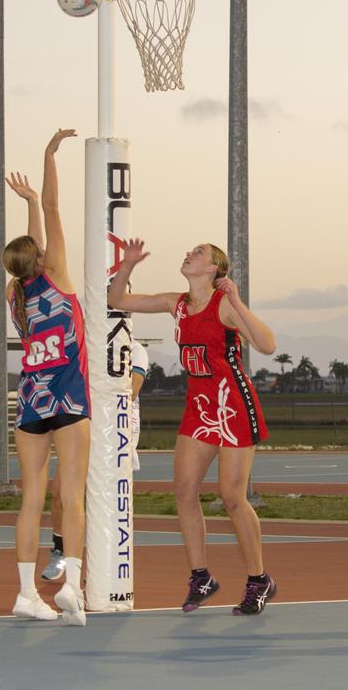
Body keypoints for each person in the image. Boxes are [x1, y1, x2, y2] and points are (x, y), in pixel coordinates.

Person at [108, 238, 278, 615]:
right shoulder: (178, 304)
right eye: (190, 251)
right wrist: (129, 265)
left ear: (214, 268)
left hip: (232, 402)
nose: (189, 254)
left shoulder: (224, 307)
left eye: (199, 252)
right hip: (200, 405)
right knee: (184, 490)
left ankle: (258, 579)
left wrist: (236, 301)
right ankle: (201, 576)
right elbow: (117, 299)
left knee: (233, 496)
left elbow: (267, 345)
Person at [2, 129, 89, 625]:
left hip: (31, 402)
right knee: (71, 493)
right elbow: (55, 212)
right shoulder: (57, 275)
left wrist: (29, 201)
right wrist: (49, 159)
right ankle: (71, 587)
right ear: (39, 259)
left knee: (32, 497)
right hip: (68, 398)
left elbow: (34, 234)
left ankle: (24, 593)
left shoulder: (17, 297)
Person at [42, 339, 148, 581]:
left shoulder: (135, 350)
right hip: (83, 424)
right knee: (59, 491)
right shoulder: (85, 347)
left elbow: (130, 392)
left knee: (105, 501)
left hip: (116, 432)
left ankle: (103, 565)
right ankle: (60, 549)